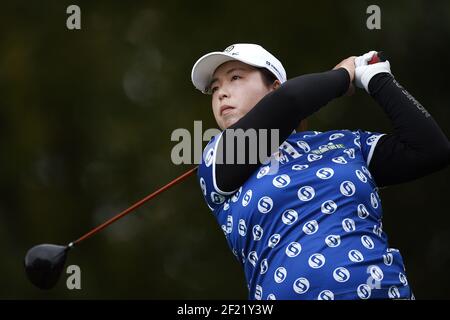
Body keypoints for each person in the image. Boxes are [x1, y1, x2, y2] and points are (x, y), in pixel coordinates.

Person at [190, 43, 450, 300]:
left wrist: (377, 79)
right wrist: (342, 76)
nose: (221, 93)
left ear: (274, 86)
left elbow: (430, 150)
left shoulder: (344, 144)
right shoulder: (217, 158)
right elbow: (290, 100)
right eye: (214, 88)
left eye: (235, 77)